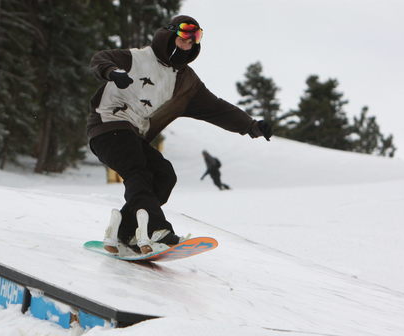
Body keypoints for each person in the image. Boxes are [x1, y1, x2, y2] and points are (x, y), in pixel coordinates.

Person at [87, 15, 272, 254]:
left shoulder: (186, 82)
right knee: (138, 171)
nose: (187, 45)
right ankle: (156, 230)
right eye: (183, 38)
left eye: (193, 41)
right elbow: (100, 58)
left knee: (164, 175)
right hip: (107, 126)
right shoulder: (138, 58)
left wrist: (252, 126)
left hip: (131, 134)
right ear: (169, 35)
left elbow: (217, 108)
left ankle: (124, 231)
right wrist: (111, 72)